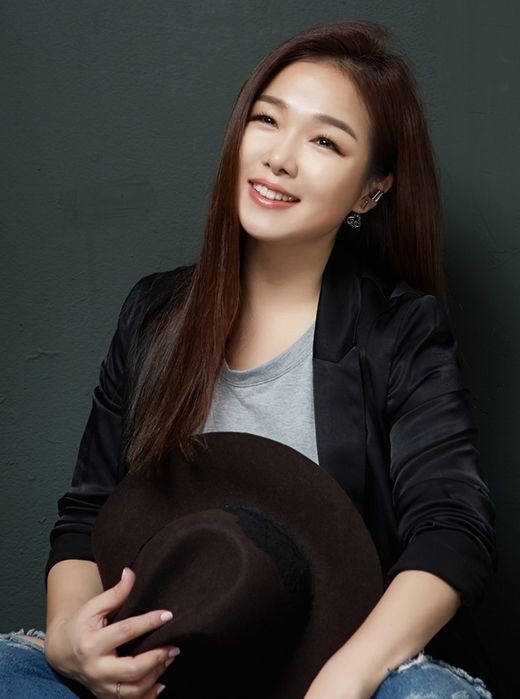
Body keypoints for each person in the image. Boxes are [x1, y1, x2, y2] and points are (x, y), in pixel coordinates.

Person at [0, 19, 497, 699]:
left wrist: (346, 678)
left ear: (370, 191)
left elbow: (451, 528)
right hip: (166, 675)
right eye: (267, 120)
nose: (280, 158)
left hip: (333, 669)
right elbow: (87, 515)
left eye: (324, 141)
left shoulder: (399, 330)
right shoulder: (153, 314)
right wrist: (69, 639)